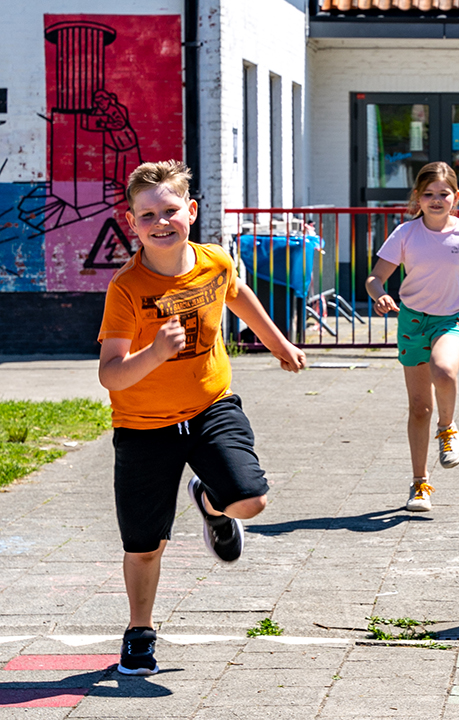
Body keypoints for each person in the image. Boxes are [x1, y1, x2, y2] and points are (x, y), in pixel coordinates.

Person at [97, 160, 308, 676]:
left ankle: (212, 503)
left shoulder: (214, 262)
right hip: (144, 428)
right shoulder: (127, 288)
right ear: (132, 223)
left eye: (170, 210)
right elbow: (110, 374)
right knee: (146, 546)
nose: (160, 222)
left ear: (190, 211)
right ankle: (139, 630)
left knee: (251, 501)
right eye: (148, 215)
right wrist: (154, 354)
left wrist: (278, 343)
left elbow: (237, 293)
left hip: (211, 407)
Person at [364, 162, 459, 512]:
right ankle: (420, 484)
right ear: (418, 198)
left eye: (443, 194)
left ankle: (448, 428)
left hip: (456, 319)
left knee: (444, 370)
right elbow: (375, 277)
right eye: (429, 195)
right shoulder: (406, 234)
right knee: (419, 407)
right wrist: (379, 294)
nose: (436, 200)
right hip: (413, 321)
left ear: (456, 197)